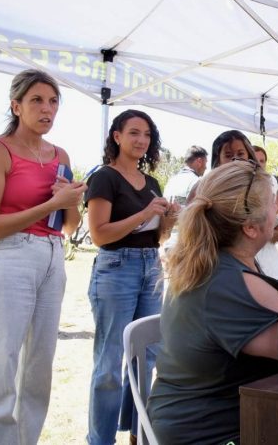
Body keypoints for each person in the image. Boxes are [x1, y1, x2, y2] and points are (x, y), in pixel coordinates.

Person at [0, 69, 86, 445]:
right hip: (9, 256)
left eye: (53, 101)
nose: (47, 109)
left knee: (38, 369)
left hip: (52, 257)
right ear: (16, 106)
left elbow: (69, 225)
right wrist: (51, 203)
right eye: (36, 100)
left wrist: (70, 200)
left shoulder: (61, 155)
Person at [148, 161, 278, 445]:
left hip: (208, 421)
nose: (277, 210)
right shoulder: (227, 282)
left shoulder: (216, 264)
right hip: (211, 434)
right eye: (272, 203)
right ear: (250, 227)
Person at [84, 110, 180, 445]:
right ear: (117, 136)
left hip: (150, 266)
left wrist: (168, 219)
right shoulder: (104, 178)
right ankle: (101, 440)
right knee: (109, 364)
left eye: (147, 135)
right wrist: (144, 213)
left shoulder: (151, 183)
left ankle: (137, 434)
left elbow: (158, 237)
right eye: (134, 133)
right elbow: (99, 234)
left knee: (146, 358)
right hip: (115, 268)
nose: (142, 140)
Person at [208, 131, 278, 286]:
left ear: (249, 154)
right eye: (228, 155)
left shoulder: (266, 181)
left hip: (270, 270)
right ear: (217, 160)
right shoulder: (209, 188)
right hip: (230, 274)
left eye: (241, 153)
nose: (236, 160)